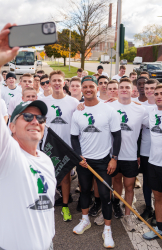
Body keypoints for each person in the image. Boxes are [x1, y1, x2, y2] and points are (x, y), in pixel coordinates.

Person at [0, 23, 56, 250]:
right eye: (27, 117)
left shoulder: (46, 160)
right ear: (11, 127)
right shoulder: (7, 154)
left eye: (40, 118)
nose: (35, 121)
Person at [70, 75, 121, 248]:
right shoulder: (78, 111)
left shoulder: (108, 111)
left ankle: (107, 229)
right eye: (85, 87)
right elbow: (74, 138)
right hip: (84, 161)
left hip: (104, 161)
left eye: (91, 86)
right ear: (82, 89)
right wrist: (79, 156)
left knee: (105, 195)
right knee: (85, 191)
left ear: (97, 88)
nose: (88, 89)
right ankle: (85, 220)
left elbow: (117, 136)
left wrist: (114, 158)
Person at [109, 78, 148, 231]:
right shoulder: (109, 105)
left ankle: (127, 216)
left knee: (129, 187)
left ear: (133, 91)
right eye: (122, 87)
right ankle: (116, 206)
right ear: (117, 90)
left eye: (127, 87)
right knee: (116, 183)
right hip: (114, 155)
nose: (124, 89)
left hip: (131, 155)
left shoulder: (141, 109)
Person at [42, 70, 80, 222]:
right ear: (49, 83)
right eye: (54, 80)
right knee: (48, 177)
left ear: (65, 83)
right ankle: (48, 205)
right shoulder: (43, 102)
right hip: (49, 146)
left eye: (60, 80)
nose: (57, 83)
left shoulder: (74, 103)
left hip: (66, 147)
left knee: (65, 178)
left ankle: (65, 206)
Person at [143, 84, 162, 240]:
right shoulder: (150, 112)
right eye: (156, 93)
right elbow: (131, 105)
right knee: (158, 198)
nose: (159, 96)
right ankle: (159, 228)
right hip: (154, 163)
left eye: (161, 93)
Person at [139, 79, 158, 226]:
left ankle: (159, 211)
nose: (150, 91)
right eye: (147, 88)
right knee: (147, 180)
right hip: (146, 150)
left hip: (159, 152)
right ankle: (148, 207)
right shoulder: (140, 106)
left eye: (153, 88)